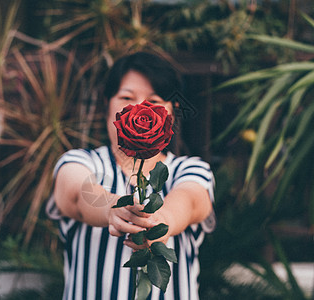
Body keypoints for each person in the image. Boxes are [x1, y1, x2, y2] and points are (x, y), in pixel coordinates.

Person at [46, 52, 215, 300]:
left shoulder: (189, 169)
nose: (140, 108)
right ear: (107, 104)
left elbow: (189, 200)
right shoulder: (80, 162)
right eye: (127, 97)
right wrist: (113, 210)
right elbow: (78, 194)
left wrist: (159, 223)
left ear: (172, 111)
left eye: (154, 100)